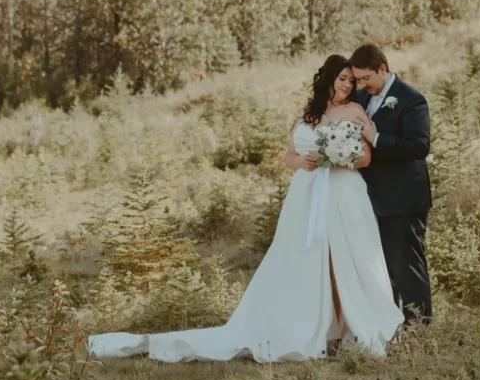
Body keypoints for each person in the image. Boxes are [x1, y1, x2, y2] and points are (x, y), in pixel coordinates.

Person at [88, 55, 403, 363]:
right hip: (307, 196)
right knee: (307, 263)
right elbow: (288, 157)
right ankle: (319, 330)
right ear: (328, 80)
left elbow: (365, 158)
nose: (348, 85)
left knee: (343, 261)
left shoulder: (354, 110)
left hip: (343, 193)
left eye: (351, 80)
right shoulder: (308, 115)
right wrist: (306, 162)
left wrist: (336, 157)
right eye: (343, 79)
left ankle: (350, 331)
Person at [349, 43, 433, 324]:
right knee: (383, 270)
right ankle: (391, 327)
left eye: (366, 78)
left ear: (382, 69)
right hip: (370, 198)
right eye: (358, 79)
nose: (361, 84)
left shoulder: (411, 99)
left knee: (407, 268)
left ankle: (419, 329)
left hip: (403, 199)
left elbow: (419, 146)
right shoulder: (360, 99)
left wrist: (376, 139)